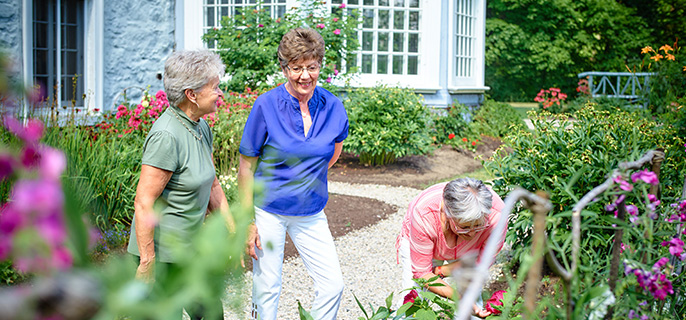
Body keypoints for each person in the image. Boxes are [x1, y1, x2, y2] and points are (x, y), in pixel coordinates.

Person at [238, 28, 348, 320]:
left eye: (311, 67)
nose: (304, 76)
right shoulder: (266, 105)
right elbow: (247, 165)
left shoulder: (333, 107)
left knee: (332, 284)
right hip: (269, 210)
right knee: (268, 287)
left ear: (320, 66)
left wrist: (308, 178)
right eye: (296, 68)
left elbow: (333, 151)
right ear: (284, 68)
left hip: (311, 212)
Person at [127, 49, 235, 320]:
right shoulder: (166, 135)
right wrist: (147, 262)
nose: (220, 93)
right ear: (191, 94)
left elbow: (212, 184)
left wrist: (235, 230)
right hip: (161, 256)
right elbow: (144, 202)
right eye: (215, 87)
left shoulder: (200, 126)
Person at [396, 177, 506, 318]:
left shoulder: (497, 216)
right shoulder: (424, 215)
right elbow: (422, 273)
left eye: (478, 226)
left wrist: (443, 271)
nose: (472, 233)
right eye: (465, 227)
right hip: (427, 241)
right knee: (413, 300)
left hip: (471, 251)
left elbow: (481, 262)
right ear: (448, 214)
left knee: (472, 303)